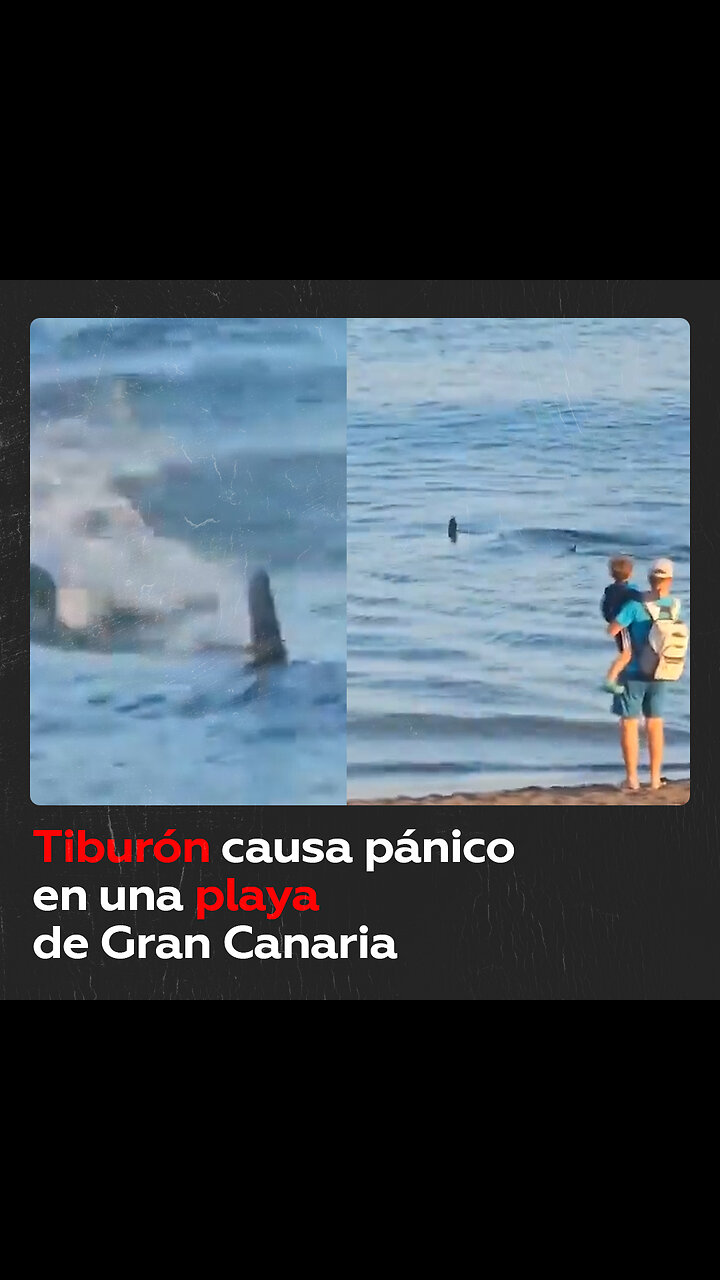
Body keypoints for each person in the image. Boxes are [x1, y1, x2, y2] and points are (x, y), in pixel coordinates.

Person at [606, 557, 682, 791]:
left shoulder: (635, 606)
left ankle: (632, 779)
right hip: (662, 671)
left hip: (634, 672)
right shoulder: (674, 605)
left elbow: (613, 630)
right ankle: (655, 779)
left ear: (649, 579)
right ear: (669, 580)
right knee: (655, 724)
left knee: (629, 724)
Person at [600, 555, 642, 694]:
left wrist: (609, 618)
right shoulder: (628, 591)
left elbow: (604, 606)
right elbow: (640, 598)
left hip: (615, 621)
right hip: (621, 625)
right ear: (631, 573)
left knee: (625, 652)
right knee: (626, 653)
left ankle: (618, 676)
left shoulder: (610, 589)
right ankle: (610, 680)